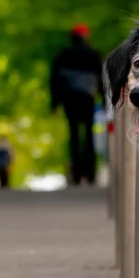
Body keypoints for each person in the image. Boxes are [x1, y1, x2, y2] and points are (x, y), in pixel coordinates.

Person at [50, 23, 102, 186]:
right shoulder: (93, 55)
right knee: (88, 135)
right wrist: (106, 99)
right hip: (87, 99)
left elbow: (55, 80)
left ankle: (77, 175)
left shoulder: (63, 55)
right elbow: (102, 78)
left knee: (74, 136)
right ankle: (91, 174)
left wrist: (55, 102)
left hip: (70, 100)